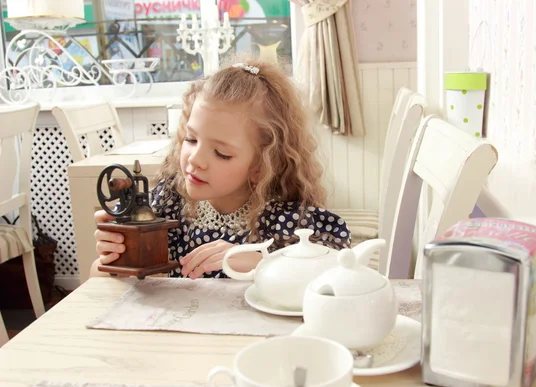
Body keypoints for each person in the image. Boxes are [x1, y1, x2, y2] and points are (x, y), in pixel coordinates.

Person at [91, 58, 351, 279]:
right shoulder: (166, 203)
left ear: (261, 166)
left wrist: (263, 263)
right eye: (191, 139)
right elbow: (99, 281)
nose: (195, 160)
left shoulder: (286, 221)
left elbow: (340, 274)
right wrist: (115, 258)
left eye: (221, 153)